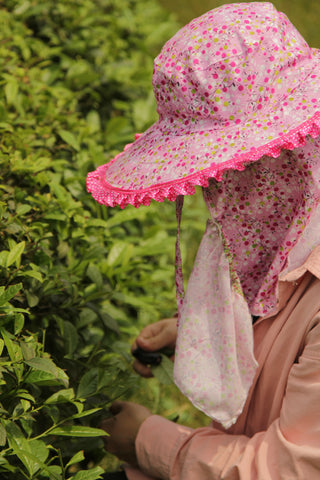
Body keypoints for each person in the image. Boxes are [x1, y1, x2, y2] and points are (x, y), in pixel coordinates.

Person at [87, 2, 320, 478]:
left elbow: (294, 467)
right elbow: (285, 312)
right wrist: (209, 331)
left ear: (284, 157)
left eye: (230, 172)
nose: (215, 193)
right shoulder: (298, 230)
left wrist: (146, 439)